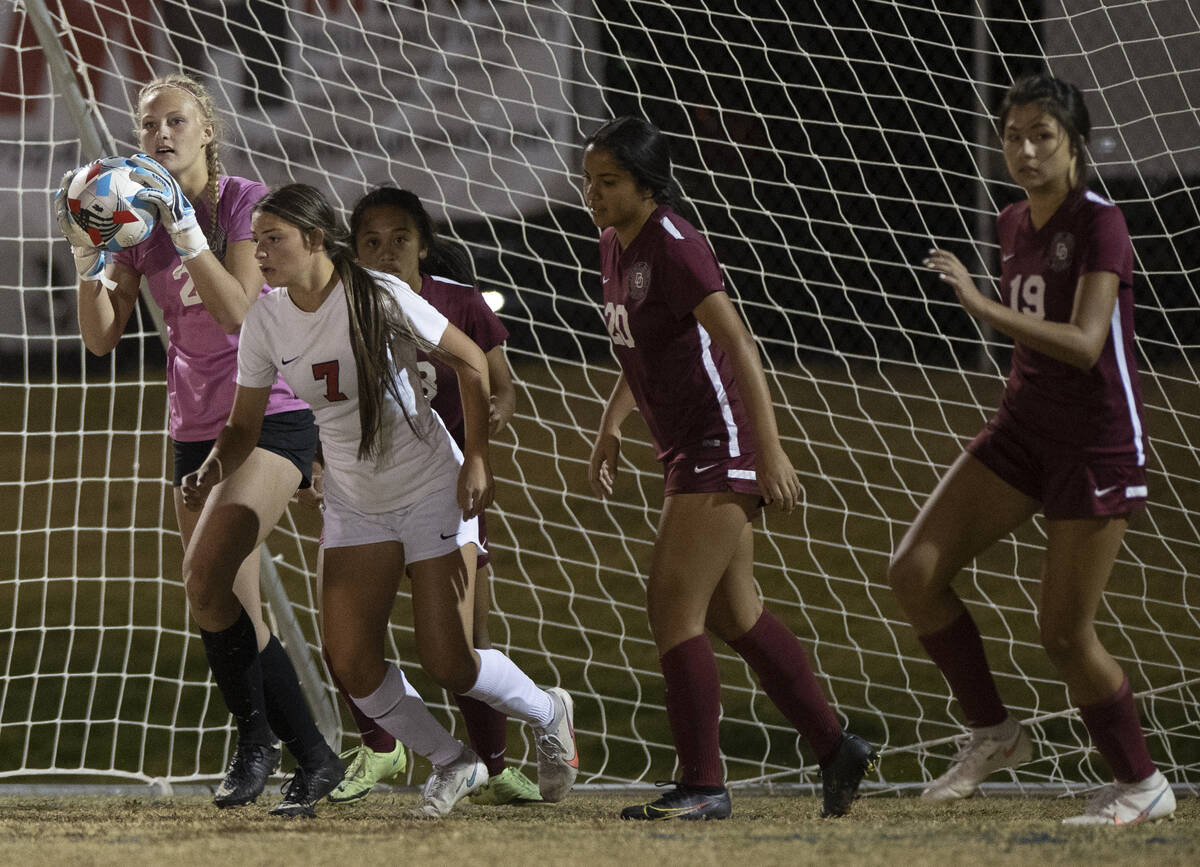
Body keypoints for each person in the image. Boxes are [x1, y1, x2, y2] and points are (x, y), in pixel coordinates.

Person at [180, 182, 579, 818]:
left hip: (429, 487)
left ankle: (546, 709)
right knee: (351, 659)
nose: (259, 252)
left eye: (272, 239)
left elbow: (474, 363)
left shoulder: (377, 293)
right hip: (355, 501)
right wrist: (210, 470)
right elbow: (242, 426)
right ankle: (454, 761)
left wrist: (477, 458)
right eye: (255, 240)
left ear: (314, 240)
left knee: (450, 659)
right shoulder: (267, 318)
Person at [889, 73, 1175, 825]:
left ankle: (1142, 783)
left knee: (1062, 633)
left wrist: (981, 307)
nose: (1024, 150)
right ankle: (993, 733)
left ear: (1072, 140)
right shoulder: (1012, 219)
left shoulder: (1100, 224)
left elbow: (1084, 344)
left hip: (1094, 445)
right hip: (1021, 430)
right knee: (915, 572)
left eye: (1041, 136)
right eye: (1013, 136)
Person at [54, 72, 343, 816]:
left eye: (176, 121)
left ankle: (300, 752)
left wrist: (184, 224)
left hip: (269, 414)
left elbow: (242, 315)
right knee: (224, 597)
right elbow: (97, 338)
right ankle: (269, 747)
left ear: (208, 128)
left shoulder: (247, 202)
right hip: (191, 426)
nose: (162, 137)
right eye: (149, 126)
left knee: (205, 569)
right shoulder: (137, 223)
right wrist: (89, 253)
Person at [581, 115, 877, 821]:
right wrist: (610, 425)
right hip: (685, 445)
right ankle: (835, 745)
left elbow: (739, 346)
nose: (593, 193)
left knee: (670, 607)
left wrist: (769, 450)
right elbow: (643, 350)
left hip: (721, 443)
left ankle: (704, 785)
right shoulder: (612, 246)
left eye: (608, 181)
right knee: (734, 614)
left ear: (646, 183)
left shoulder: (677, 247)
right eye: (588, 180)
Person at [320, 185, 540, 806]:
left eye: (399, 239)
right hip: (366, 493)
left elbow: (501, 384)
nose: (386, 252)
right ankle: (381, 751)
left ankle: (493, 768)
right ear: (353, 251)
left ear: (423, 245)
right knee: (349, 634)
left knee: (464, 641)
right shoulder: (342, 310)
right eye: (370, 242)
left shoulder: (461, 305)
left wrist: (493, 414)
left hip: (444, 488)